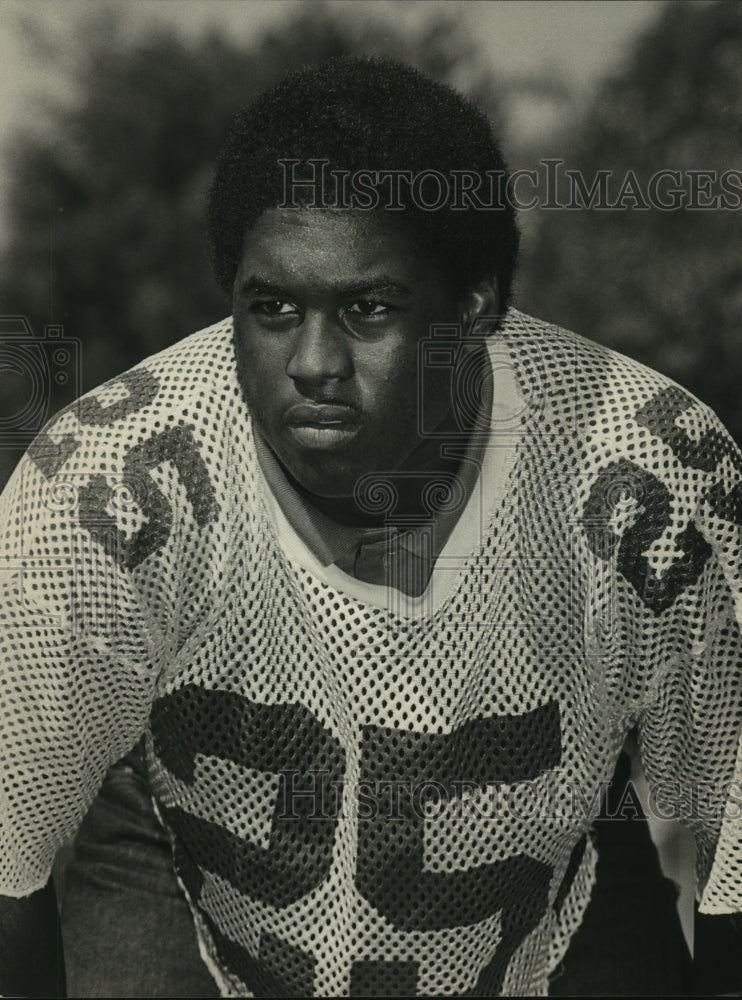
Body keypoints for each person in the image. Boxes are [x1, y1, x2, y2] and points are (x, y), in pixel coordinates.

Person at [1, 57, 740, 998]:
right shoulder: (101, 487)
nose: (312, 362)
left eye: (368, 308)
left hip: (556, 867)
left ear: (474, 307)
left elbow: (732, 840)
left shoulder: (639, 465)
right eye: (272, 308)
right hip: (189, 856)